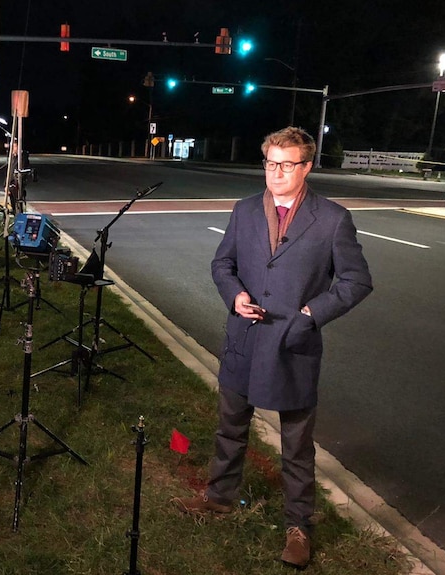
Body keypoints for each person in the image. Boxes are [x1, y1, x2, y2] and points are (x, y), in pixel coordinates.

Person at [173, 127, 373, 568]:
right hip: (244, 340)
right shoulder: (245, 211)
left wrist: (310, 315)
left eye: (286, 164)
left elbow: (357, 281)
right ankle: (219, 498)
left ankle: (299, 527)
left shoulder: (333, 219)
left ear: (307, 167)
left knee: (297, 447)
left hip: (293, 346)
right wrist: (235, 296)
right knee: (229, 429)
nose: (276, 172)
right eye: (270, 163)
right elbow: (222, 262)